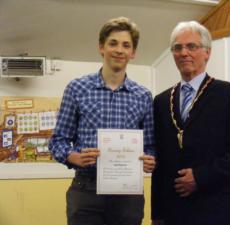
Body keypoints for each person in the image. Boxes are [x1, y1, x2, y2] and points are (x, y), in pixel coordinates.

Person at [49, 17, 156, 225]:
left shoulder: (143, 95)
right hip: (86, 189)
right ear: (101, 47)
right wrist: (73, 157)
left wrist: (150, 159)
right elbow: (57, 141)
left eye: (126, 45)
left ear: (133, 53)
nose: (119, 50)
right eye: (113, 43)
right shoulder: (77, 89)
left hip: (128, 193)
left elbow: (151, 145)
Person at [151, 21, 230, 225]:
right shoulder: (161, 101)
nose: (184, 53)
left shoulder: (229, 94)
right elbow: (159, 162)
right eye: (178, 48)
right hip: (174, 211)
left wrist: (200, 177)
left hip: (216, 210)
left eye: (192, 46)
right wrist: (157, 214)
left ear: (207, 52)